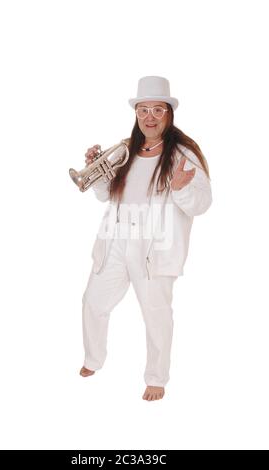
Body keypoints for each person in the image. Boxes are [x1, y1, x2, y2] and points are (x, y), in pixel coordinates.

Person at [79, 76, 212, 401]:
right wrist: (97, 172)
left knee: (156, 313)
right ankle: (94, 359)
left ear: (169, 114)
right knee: (93, 302)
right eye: (143, 110)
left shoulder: (184, 154)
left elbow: (203, 204)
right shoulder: (126, 149)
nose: (149, 117)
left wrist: (180, 187)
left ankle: (156, 378)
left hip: (154, 245)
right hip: (116, 238)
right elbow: (105, 195)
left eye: (157, 110)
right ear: (136, 113)